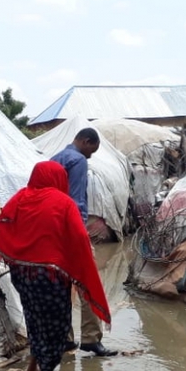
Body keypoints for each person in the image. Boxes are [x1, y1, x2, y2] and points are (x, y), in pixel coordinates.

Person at [0, 161, 111, 371]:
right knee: (56, 329)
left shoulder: (20, 197)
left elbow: (0, 223)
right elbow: (78, 237)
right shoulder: (63, 202)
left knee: (34, 319)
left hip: (23, 275)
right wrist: (73, 264)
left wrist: (16, 253)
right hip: (50, 277)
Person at [50, 128, 118, 357]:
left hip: (54, 233)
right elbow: (76, 200)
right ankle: (90, 338)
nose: (90, 156)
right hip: (71, 231)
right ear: (86, 141)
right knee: (87, 284)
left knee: (60, 287)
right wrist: (81, 235)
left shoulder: (55, 159)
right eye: (92, 151)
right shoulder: (77, 160)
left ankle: (65, 339)